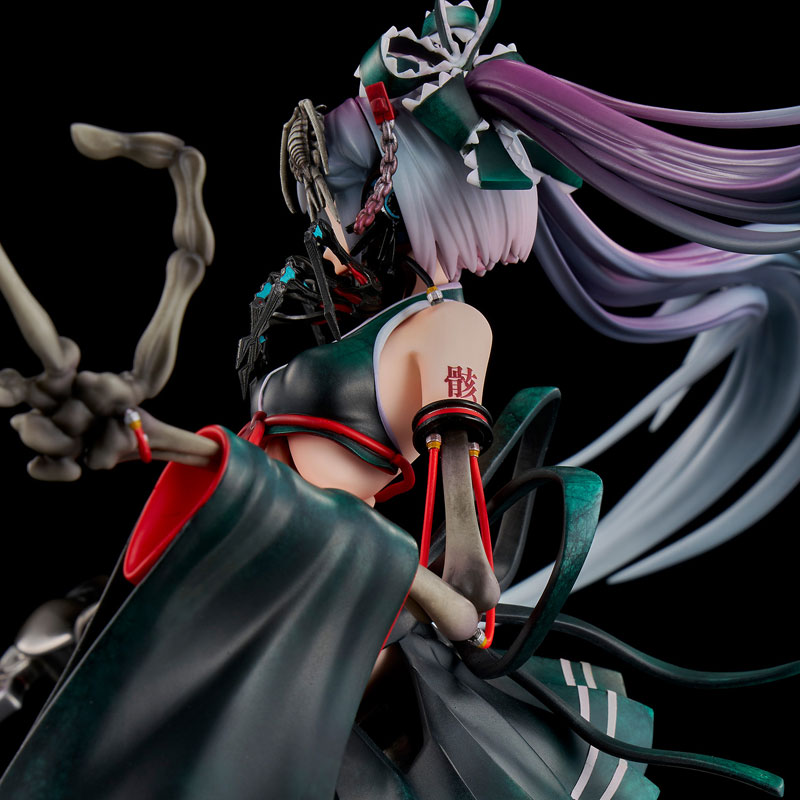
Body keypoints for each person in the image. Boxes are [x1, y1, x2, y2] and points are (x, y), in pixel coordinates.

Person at [1, 2, 798, 797]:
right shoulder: (362, 314)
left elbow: (465, 541)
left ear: (410, 195)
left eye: (350, 189)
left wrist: (443, 598)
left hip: (318, 573)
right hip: (248, 538)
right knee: (95, 665)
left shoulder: (450, 327)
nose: (332, 212)